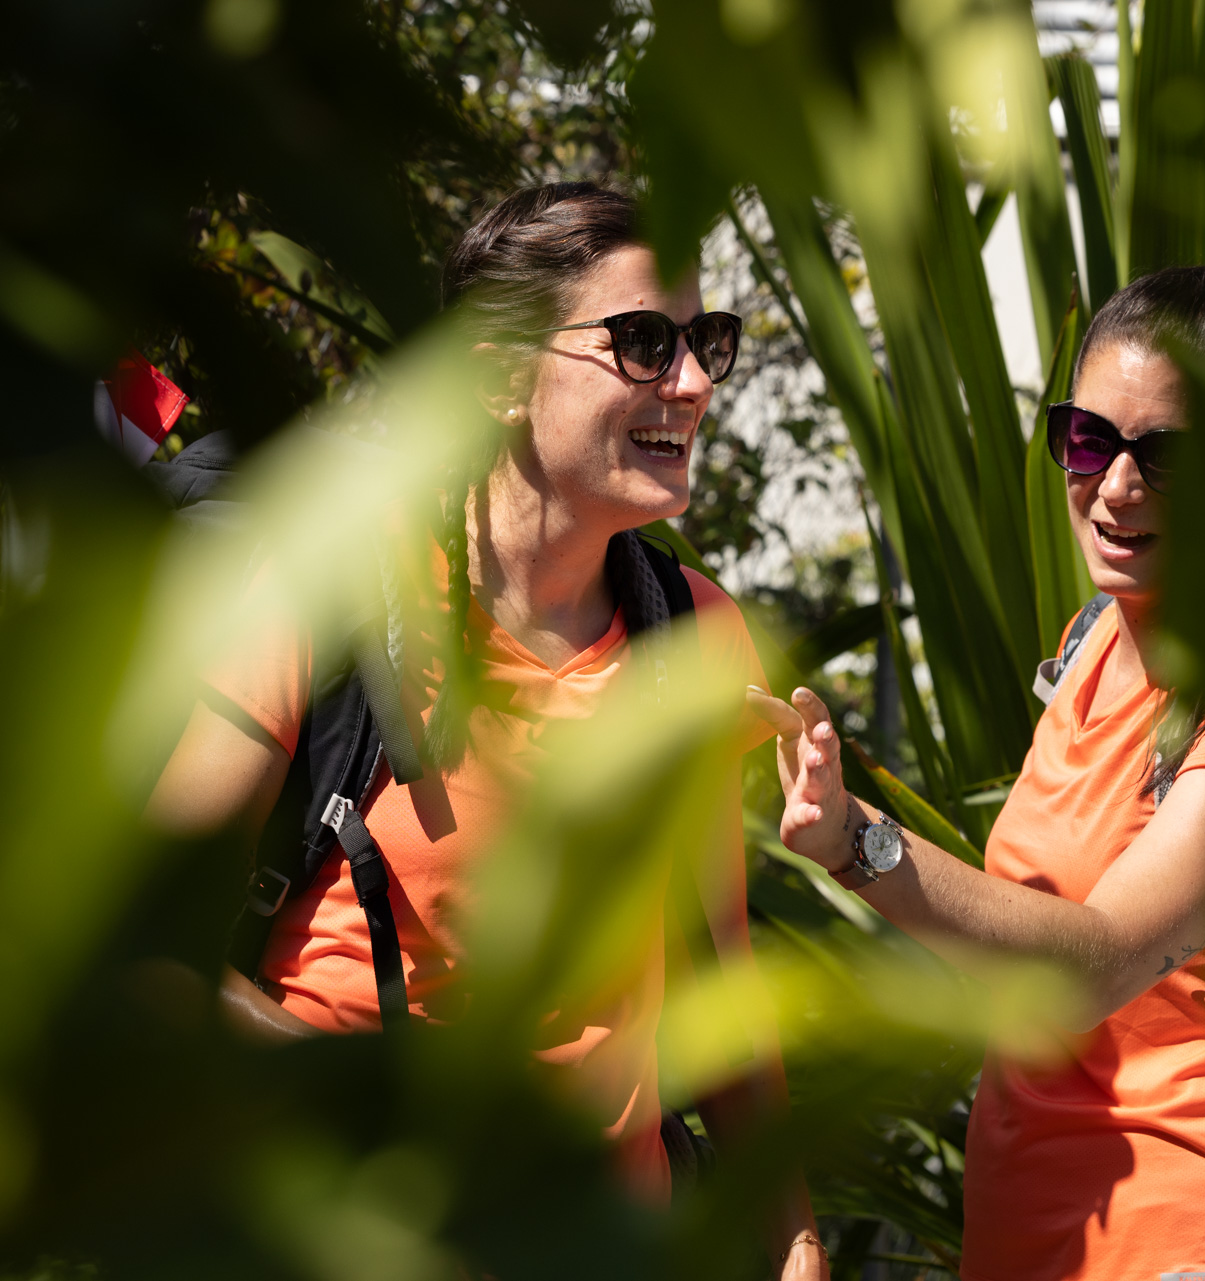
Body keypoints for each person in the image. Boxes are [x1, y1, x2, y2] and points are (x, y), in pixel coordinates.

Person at [147, 183, 828, 1279]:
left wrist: (795, 1240)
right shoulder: (330, 592)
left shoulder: (696, 634)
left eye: (705, 342)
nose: (696, 382)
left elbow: (720, 979)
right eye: (644, 343)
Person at [751, 259, 1205, 1280]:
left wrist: (857, 842)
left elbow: (1091, 968)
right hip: (1030, 1229)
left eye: (1166, 456)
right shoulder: (1091, 639)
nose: (1116, 487)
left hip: (1185, 1238)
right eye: (1089, 440)